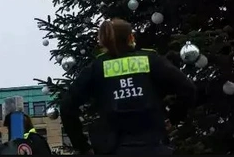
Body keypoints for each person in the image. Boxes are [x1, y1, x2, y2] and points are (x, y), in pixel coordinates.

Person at [59, 18, 197, 155]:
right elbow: (188, 89)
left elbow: (67, 107)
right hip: (154, 145)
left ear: (102, 41)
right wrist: (173, 118)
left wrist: (83, 146)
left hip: (115, 147)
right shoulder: (151, 60)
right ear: (131, 37)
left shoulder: (96, 68)